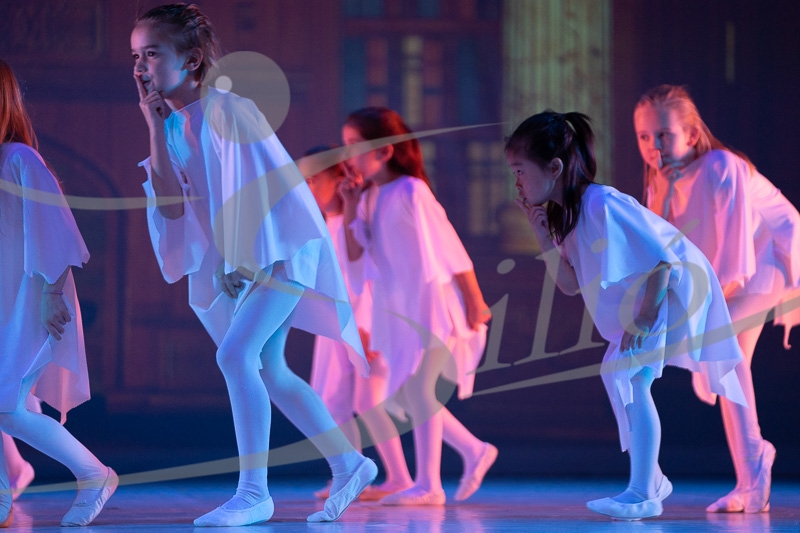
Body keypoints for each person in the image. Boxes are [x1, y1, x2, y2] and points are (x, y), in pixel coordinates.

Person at [132, 4, 376, 526]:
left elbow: (252, 189)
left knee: (236, 354)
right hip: (246, 256)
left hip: (280, 247)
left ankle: (253, 493)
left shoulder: (227, 109)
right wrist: (154, 126)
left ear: (191, 59)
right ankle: (350, 463)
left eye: (151, 54)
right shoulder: (172, 126)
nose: (140, 67)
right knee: (271, 367)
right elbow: (171, 208)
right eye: (136, 56)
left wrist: (243, 258)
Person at [508, 110, 747, 520]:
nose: (516, 182)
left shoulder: (602, 202)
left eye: (520, 171)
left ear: (554, 167)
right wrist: (542, 235)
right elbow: (569, 284)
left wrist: (646, 315)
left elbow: (662, 261)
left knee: (634, 379)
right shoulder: (567, 215)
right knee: (619, 375)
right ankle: (651, 479)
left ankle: (643, 492)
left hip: (671, 290)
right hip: (649, 297)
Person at [634, 84, 800, 513]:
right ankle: (752, 475)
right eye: (644, 136)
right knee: (728, 363)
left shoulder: (722, 165)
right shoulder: (659, 180)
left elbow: (735, 251)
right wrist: (664, 196)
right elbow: (663, 250)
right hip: (731, 269)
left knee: (721, 349)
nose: (654, 146)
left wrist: (704, 323)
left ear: (691, 134)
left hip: (770, 256)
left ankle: (755, 467)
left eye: (664, 134)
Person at [340, 107, 497, 506]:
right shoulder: (369, 197)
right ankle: (475, 450)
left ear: (384, 151)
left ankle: (430, 484)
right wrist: (350, 203)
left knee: (421, 392)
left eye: (355, 145)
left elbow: (449, 246)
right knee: (411, 395)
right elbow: (355, 255)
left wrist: (475, 300)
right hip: (401, 308)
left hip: (432, 302)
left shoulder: (412, 190)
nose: (348, 155)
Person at [0, 58, 117, 527]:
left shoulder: (19, 159)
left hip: (27, 302)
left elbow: (55, 229)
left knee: (9, 408)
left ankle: (94, 474)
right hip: (4, 301)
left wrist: (51, 294)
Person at [298, 145, 414, 501]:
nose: (307, 187)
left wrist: (362, 328)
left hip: (357, 323)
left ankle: (395, 476)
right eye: (303, 181)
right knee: (335, 401)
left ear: (340, 178)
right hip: (335, 323)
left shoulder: (352, 220)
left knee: (366, 401)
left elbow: (362, 281)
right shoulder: (325, 224)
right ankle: (350, 473)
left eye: (314, 179)